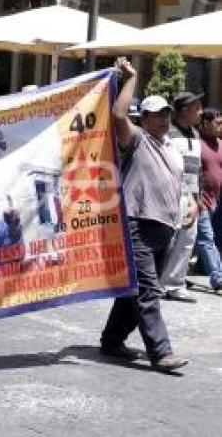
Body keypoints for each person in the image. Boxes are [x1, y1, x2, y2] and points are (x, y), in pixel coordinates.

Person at [99, 58, 188, 373]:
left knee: (133, 288)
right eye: (157, 114)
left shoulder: (171, 147)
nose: (164, 119)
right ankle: (161, 352)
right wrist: (132, 78)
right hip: (138, 223)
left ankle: (111, 340)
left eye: (167, 113)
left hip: (166, 227)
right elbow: (118, 114)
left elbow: (180, 182)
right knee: (149, 289)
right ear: (145, 118)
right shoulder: (136, 140)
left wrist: (189, 205)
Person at [161, 91, 202, 303]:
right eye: (197, 108)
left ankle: (174, 284)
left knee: (187, 240)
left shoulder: (195, 134)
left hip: (191, 198)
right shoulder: (167, 132)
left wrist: (197, 199)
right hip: (170, 195)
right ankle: (158, 283)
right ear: (184, 109)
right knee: (166, 240)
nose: (200, 112)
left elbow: (198, 170)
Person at [193, 109, 222, 292]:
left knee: (194, 241)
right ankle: (218, 277)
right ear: (204, 123)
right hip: (199, 200)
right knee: (206, 238)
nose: (221, 127)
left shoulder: (220, 144)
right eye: (217, 123)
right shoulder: (195, 144)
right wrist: (197, 198)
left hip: (216, 202)